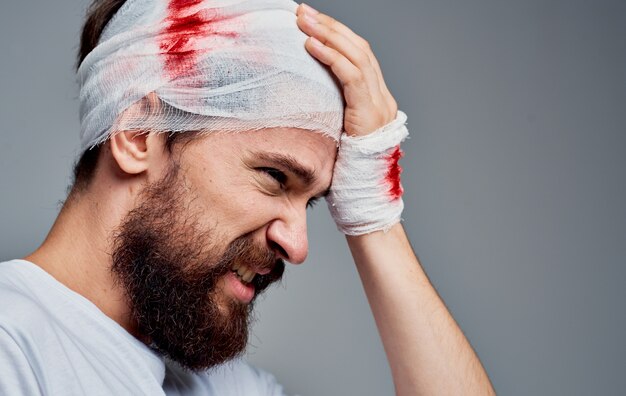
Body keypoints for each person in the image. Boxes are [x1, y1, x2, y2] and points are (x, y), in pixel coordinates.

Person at [0, 0, 495, 395]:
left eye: (313, 203)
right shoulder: (12, 349)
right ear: (140, 135)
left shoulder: (227, 386)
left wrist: (373, 216)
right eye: (275, 177)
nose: (297, 247)